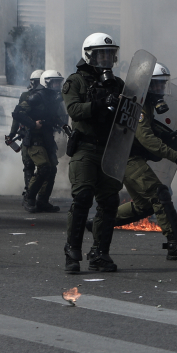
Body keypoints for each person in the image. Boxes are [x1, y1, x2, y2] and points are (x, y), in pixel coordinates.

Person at [112, 63, 177, 261]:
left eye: (163, 85)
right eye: (157, 86)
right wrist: (175, 156)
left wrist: (168, 135)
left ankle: (99, 223)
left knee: (144, 206)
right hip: (127, 158)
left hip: (129, 156)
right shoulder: (139, 105)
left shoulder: (145, 103)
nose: (161, 90)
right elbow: (146, 139)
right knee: (160, 195)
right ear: (146, 86)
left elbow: (150, 130)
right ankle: (176, 245)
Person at [62, 33, 125, 273]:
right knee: (83, 198)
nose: (106, 58)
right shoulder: (75, 81)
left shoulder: (118, 84)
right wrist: (100, 103)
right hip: (85, 148)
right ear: (89, 55)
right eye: (101, 54)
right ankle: (72, 252)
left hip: (109, 149)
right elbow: (74, 109)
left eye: (110, 53)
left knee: (109, 201)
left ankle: (100, 254)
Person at [12, 70, 66, 213]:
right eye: (54, 82)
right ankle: (29, 198)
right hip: (35, 138)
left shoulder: (53, 98)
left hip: (47, 137)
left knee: (52, 169)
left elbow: (54, 116)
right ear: (46, 82)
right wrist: (32, 124)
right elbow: (17, 113)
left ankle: (43, 200)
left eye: (58, 82)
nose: (57, 85)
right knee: (43, 168)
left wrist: (65, 127)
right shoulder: (36, 97)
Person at [6, 69, 43, 196]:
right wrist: (12, 134)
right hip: (27, 134)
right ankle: (29, 193)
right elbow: (17, 116)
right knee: (28, 165)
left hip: (42, 135)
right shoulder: (25, 96)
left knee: (44, 167)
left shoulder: (48, 97)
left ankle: (38, 194)